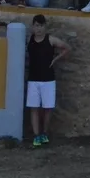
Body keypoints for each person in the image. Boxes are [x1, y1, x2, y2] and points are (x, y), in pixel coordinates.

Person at [25, 15, 70, 149]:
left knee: (47, 108)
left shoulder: (51, 40)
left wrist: (55, 60)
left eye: (41, 26)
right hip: (33, 79)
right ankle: (36, 135)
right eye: (36, 26)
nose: (38, 29)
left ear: (45, 27)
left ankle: (44, 132)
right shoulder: (30, 40)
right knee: (34, 108)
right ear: (33, 27)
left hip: (48, 80)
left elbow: (67, 48)